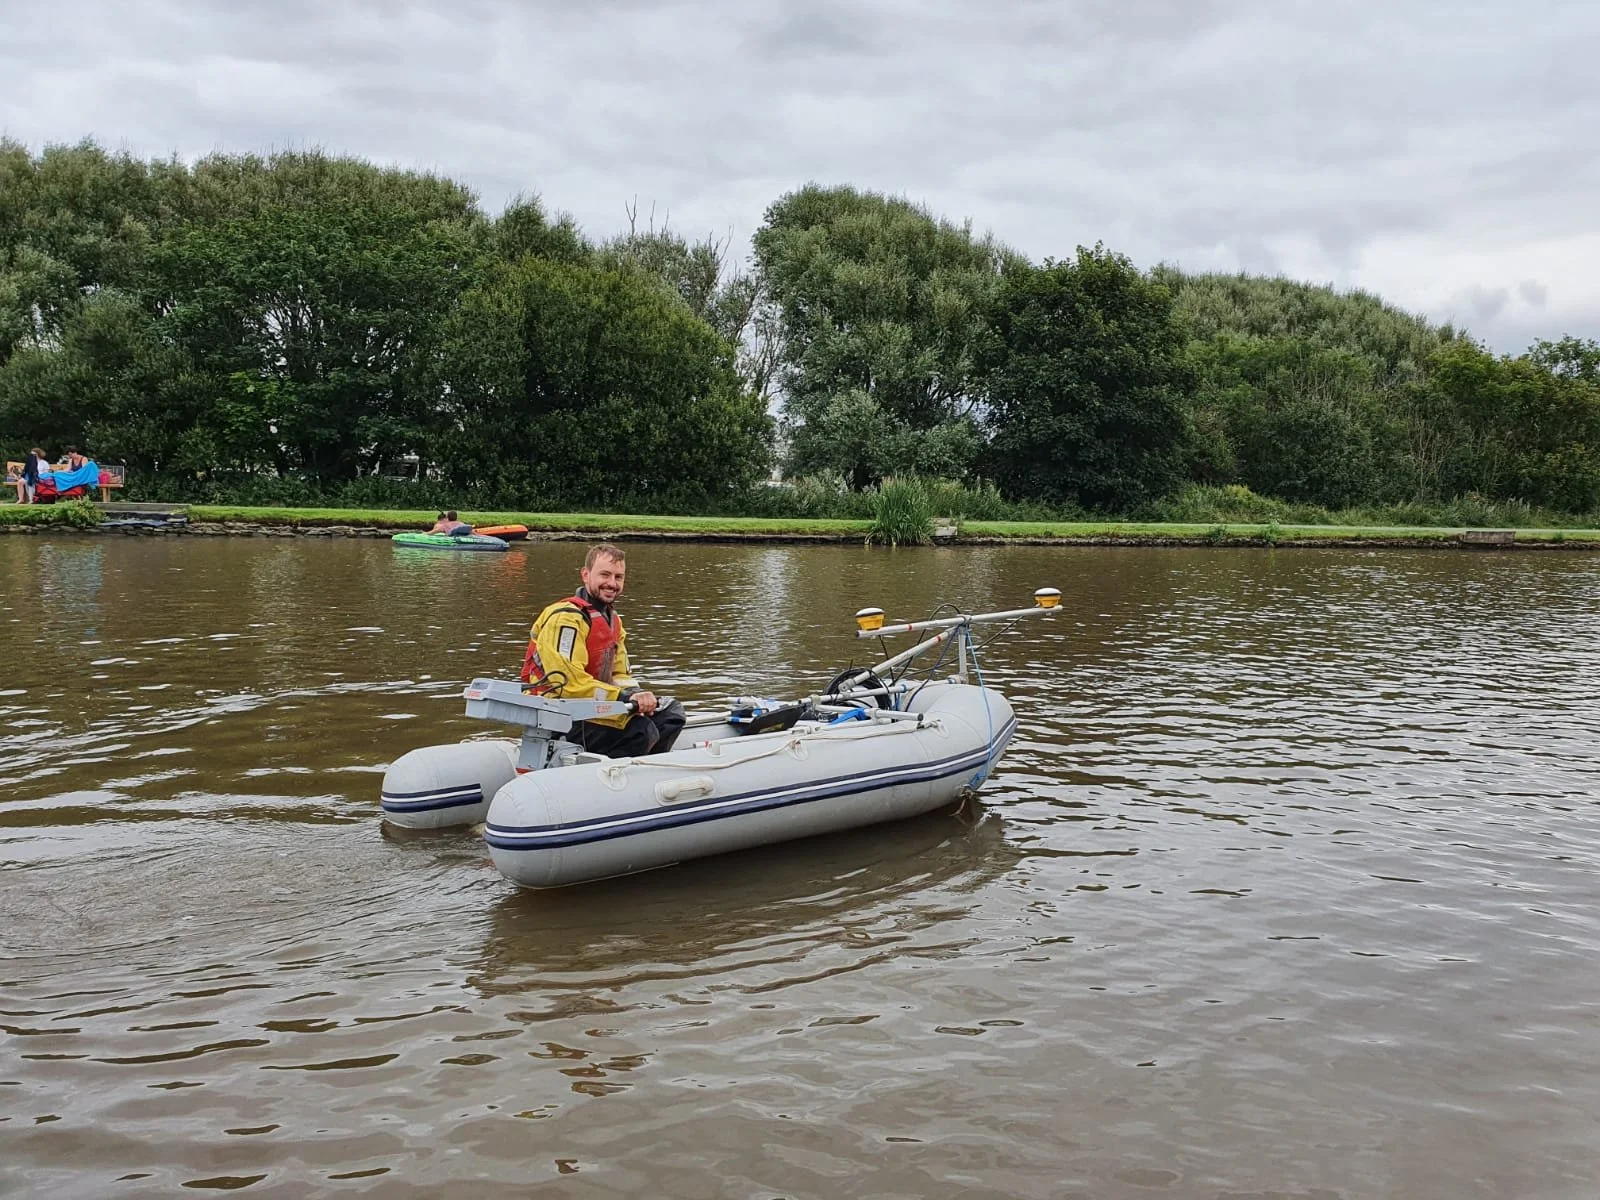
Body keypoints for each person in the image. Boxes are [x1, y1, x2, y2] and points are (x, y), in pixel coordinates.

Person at [519, 543, 685, 757]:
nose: (612, 583)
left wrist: (637, 696)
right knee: (640, 731)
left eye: (618, 577)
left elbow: (620, 675)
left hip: (596, 707)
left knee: (671, 714)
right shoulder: (565, 619)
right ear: (585, 575)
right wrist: (623, 698)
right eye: (605, 575)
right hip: (559, 713)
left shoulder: (613, 621)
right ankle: (610, 772)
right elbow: (568, 683)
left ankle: (648, 767)